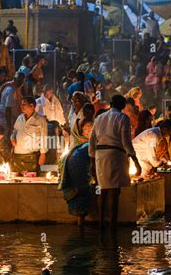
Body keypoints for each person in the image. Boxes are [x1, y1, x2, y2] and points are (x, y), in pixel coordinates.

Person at [89, 95, 142, 229]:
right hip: (116, 156)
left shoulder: (99, 117)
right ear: (123, 106)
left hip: (100, 156)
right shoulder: (123, 118)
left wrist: (91, 160)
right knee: (115, 192)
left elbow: (92, 140)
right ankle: (113, 224)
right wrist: (135, 160)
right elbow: (126, 141)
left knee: (104, 190)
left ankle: (101, 224)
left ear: (111, 103)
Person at [58, 119, 94, 226]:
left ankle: (80, 226)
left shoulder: (86, 145)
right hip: (77, 171)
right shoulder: (87, 145)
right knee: (82, 194)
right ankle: (81, 227)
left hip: (76, 171)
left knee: (80, 194)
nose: (88, 133)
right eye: (86, 130)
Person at [10, 97, 48, 173]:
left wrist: (43, 154)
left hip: (31, 157)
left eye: (24, 104)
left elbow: (44, 138)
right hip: (18, 155)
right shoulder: (20, 118)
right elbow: (15, 130)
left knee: (31, 179)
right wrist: (12, 137)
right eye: (21, 105)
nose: (21, 106)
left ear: (32, 106)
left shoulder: (41, 120)